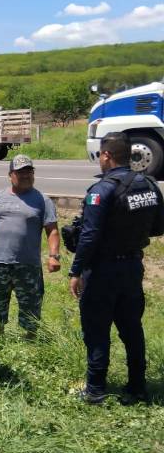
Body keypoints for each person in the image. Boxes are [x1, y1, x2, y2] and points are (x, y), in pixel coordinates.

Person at [69, 132, 164, 405]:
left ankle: (95, 389)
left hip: (102, 271)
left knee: (97, 330)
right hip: (133, 266)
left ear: (107, 156)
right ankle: (137, 387)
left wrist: (75, 271)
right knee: (132, 328)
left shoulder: (102, 190)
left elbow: (89, 236)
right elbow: (159, 226)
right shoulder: (148, 184)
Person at [0, 154, 60, 338]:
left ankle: (30, 338)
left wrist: (54, 256)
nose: (25, 175)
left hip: (28, 264)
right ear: (11, 175)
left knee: (31, 304)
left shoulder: (43, 200)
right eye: (20, 172)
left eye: (29, 171)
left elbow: (53, 231)